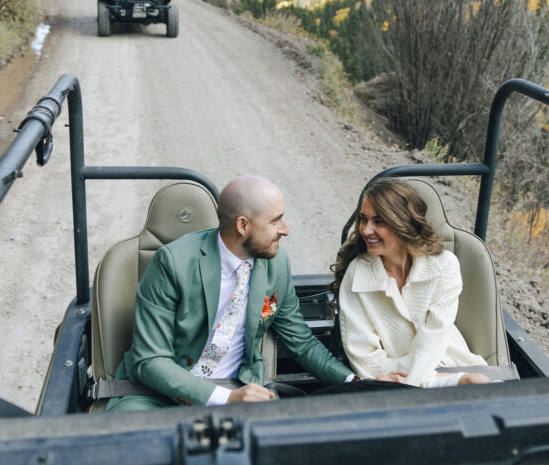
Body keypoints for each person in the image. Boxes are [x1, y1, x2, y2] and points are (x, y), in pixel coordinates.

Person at [107, 175, 385, 411]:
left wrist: (355, 383)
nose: (285, 230)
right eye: (276, 221)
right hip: (155, 395)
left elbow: (302, 343)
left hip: (240, 389)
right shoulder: (173, 262)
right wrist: (225, 399)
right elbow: (150, 360)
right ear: (243, 225)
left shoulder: (277, 264)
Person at [332, 178, 491, 388]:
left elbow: (433, 341)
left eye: (378, 221)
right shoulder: (357, 274)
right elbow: (364, 357)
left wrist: (408, 383)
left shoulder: (445, 266)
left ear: (403, 224)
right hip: (390, 380)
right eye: (363, 219)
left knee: (477, 382)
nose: (366, 230)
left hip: (449, 368)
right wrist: (398, 384)